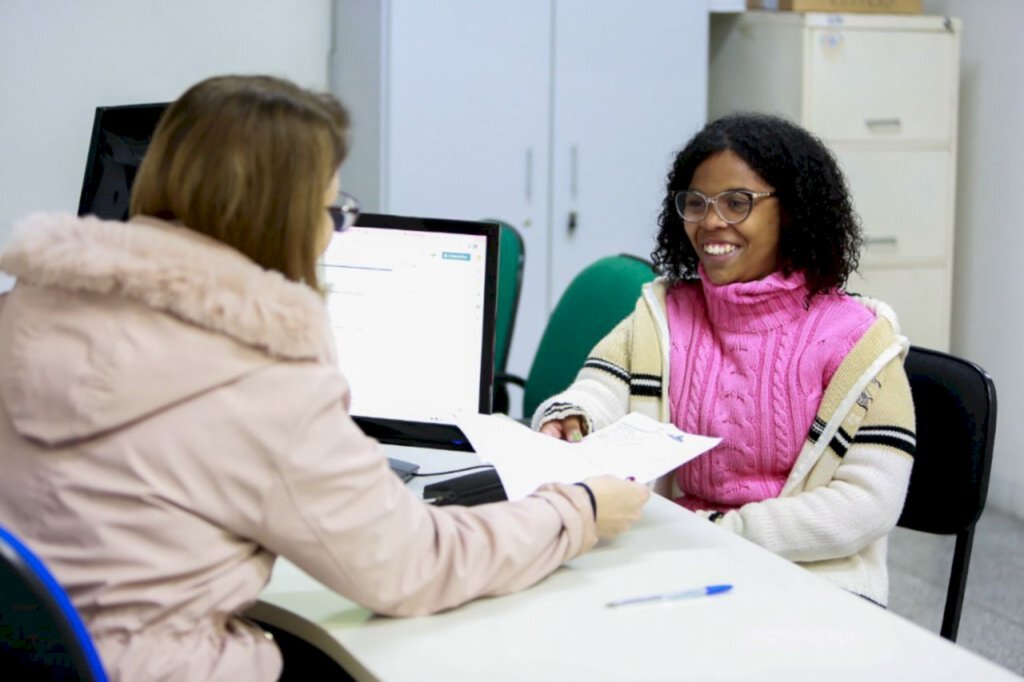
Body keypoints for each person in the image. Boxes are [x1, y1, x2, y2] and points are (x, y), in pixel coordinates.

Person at [0, 75, 649, 681]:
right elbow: (413, 565)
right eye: (332, 212)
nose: (332, 235)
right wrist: (578, 509)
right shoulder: (265, 383)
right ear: (282, 218)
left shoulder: (20, 312)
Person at [534, 112, 915, 606]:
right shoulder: (664, 313)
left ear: (793, 211)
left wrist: (723, 531)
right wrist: (572, 417)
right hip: (672, 554)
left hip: (808, 576)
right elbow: (602, 385)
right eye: (697, 203)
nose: (711, 221)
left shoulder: (860, 342)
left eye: (738, 203)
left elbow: (868, 503)